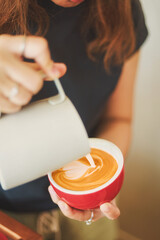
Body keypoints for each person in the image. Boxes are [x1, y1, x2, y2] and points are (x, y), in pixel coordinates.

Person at [0, 0, 148, 239]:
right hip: (8, 218)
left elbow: (118, 118)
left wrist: (97, 187)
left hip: (93, 213)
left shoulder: (124, 8)